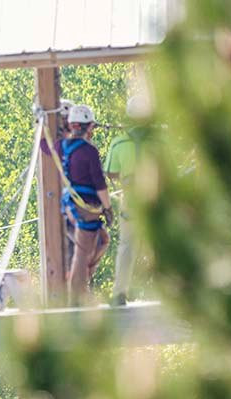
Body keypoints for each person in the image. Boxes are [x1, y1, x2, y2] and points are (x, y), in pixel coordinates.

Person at [57, 104, 114, 305]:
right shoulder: (89, 151)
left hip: (70, 206)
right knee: (82, 251)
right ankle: (77, 296)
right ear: (88, 127)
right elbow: (99, 183)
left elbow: (45, 146)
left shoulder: (61, 146)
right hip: (85, 207)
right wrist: (107, 208)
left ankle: (81, 279)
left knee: (102, 240)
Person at [105, 95, 149, 306]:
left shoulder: (119, 143)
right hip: (154, 199)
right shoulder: (158, 140)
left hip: (130, 200)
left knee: (126, 247)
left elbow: (111, 173)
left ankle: (119, 293)